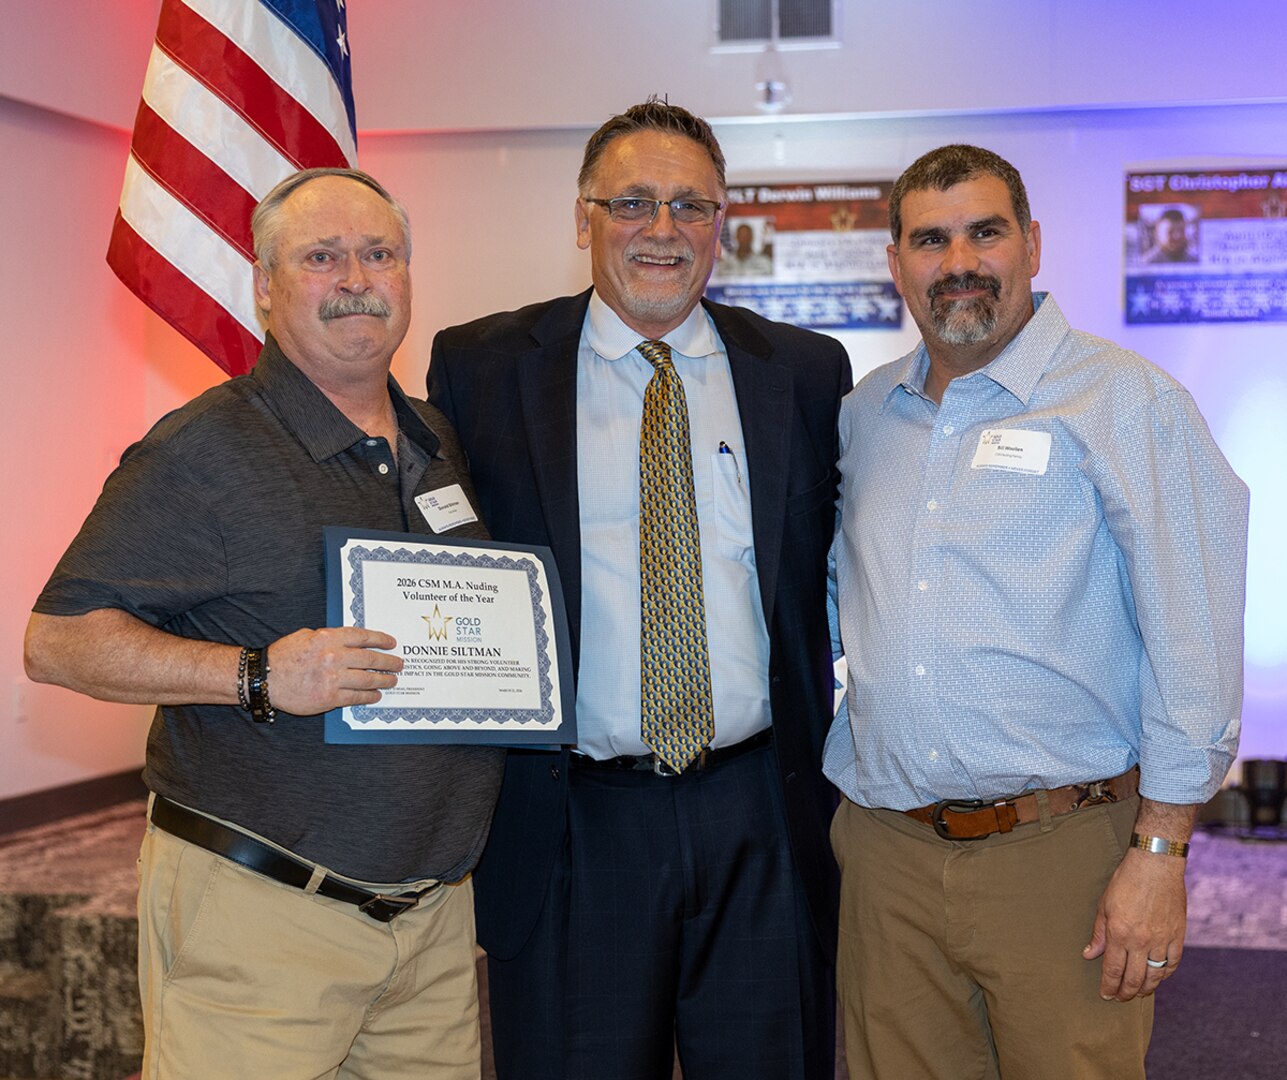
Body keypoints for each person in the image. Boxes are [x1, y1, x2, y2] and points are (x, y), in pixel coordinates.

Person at [24, 168, 504, 1080]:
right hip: (263, 917)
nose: (356, 278)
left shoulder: (437, 441)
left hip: (431, 927)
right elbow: (58, 639)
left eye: (379, 254)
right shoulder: (203, 447)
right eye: (321, 257)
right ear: (265, 285)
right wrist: (256, 676)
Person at [428, 99, 849, 1080]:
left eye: (690, 206)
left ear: (723, 223)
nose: (663, 231)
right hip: (574, 820)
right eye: (632, 203)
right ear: (584, 218)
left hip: (763, 815)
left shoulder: (804, 373)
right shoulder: (484, 369)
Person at [824, 143, 1248, 1080]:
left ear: (1032, 244)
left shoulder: (1125, 401)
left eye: (986, 231)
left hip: (1062, 855)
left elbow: (1194, 636)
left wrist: (1160, 850)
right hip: (887, 851)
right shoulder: (863, 415)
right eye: (930, 239)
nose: (960, 261)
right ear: (894, 262)